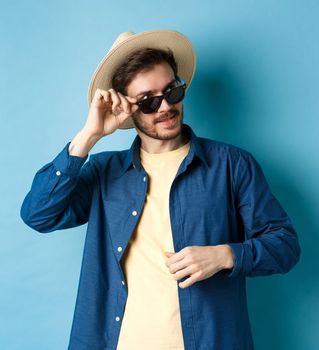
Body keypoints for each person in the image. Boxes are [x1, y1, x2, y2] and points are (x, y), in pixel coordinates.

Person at [20, 29, 301, 350]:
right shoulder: (103, 172)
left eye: (172, 92)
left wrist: (225, 255)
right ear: (127, 107)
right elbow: (38, 214)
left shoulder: (231, 165)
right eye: (149, 101)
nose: (165, 106)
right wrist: (88, 136)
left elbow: (285, 246)